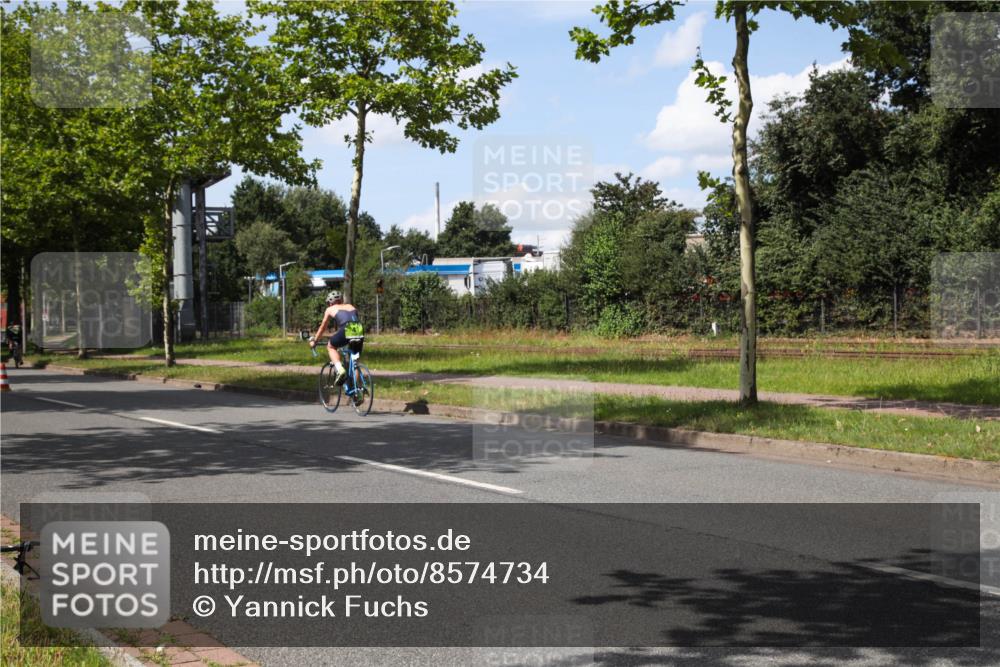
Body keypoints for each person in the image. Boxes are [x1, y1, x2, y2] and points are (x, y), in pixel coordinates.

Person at [309, 291, 363, 385]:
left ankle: (339, 369)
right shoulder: (351, 306)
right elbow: (352, 320)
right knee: (355, 361)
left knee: (331, 346)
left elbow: (323, 327)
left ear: (330, 302)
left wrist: (315, 340)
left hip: (346, 329)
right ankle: (357, 391)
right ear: (341, 300)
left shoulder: (330, 309)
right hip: (359, 328)